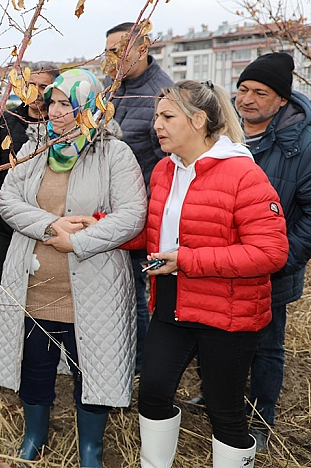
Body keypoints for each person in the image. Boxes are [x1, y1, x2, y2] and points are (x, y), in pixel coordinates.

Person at [0, 69, 147, 466]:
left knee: (89, 370)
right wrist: (49, 224)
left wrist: (77, 241)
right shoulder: (34, 148)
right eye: (52, 102)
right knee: (35, 366)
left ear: (90, 108)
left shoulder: (113, 153)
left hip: (93, 291)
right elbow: (7, 200)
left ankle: (90, 447)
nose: (53, 111)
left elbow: (132, 215)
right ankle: (34, 436)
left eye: (64, 104)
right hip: (35, 288)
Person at [135, 80, 288, 467]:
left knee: (225, 409)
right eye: (156, 116)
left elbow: (271, 252)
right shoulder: (164, 172)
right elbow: (155, 226)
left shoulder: (242, 175)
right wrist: (98, 227)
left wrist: (188, 260)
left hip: (229, 313)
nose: (157, 125)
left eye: (167, 116)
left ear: (199, 120)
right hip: (171, 301)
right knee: (152, 391)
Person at [235, 52, 311, 450]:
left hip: (273, 268)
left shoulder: (303, 143)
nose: (246, 99)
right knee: (224, 335)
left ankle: (261, 419)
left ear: (282, 99)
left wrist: (279, 259)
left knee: (267, 344)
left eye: (259, 92)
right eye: (243, 89)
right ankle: (229, 399)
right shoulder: (225, 132)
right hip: (225, 264)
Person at [105, 22, 174, 374]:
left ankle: (141, 366)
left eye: (119, 51)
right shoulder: (109, 89)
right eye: (108, 52)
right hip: (105, 213)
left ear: (143, 48)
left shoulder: (162, 96)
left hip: (140, 216)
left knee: (134, 296)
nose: (112, 59)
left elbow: (167, 165)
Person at [0, 61, 59, 354]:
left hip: (51, 231)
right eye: (31, 85)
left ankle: (45, 351)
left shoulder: (62, 126)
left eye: (44, 87)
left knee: (45, 293)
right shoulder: (6, 122)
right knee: (0, 288)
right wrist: (0, 204)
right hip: (7, 228)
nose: (37, 94)